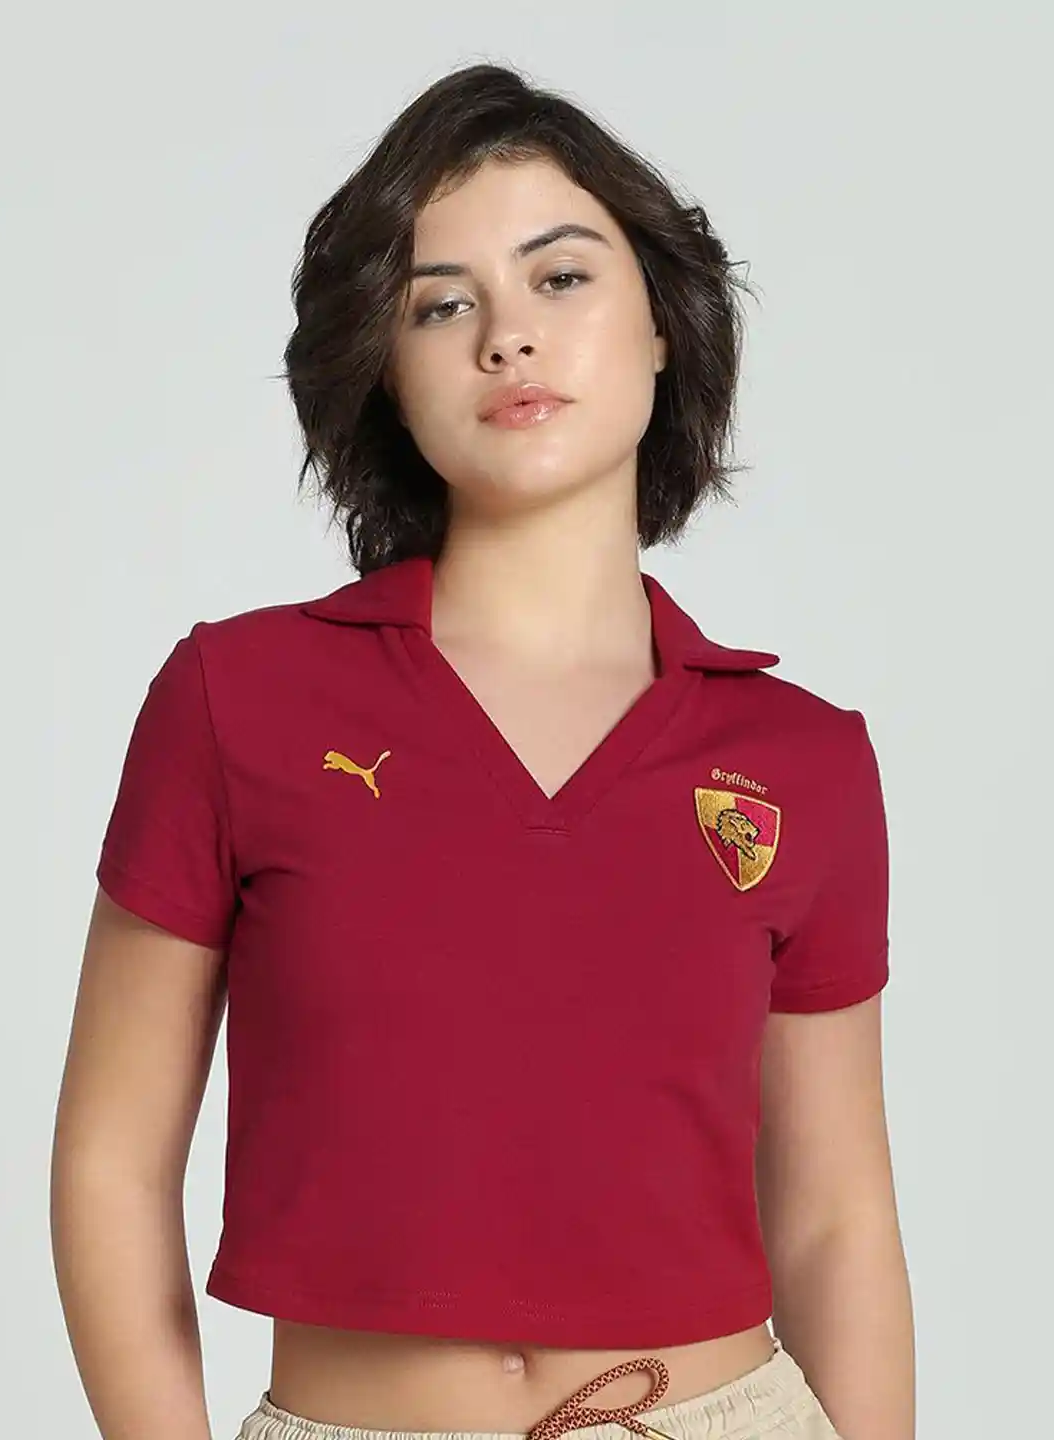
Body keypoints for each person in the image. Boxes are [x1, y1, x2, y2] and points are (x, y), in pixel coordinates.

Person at [50, 61, 915, 1440]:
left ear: (663, 327)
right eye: (441, 304)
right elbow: (109, 1164)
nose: (509, 338)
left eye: (560, 278)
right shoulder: (238, 701)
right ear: (387, 373)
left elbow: (835, 1219)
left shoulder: (800, 760)